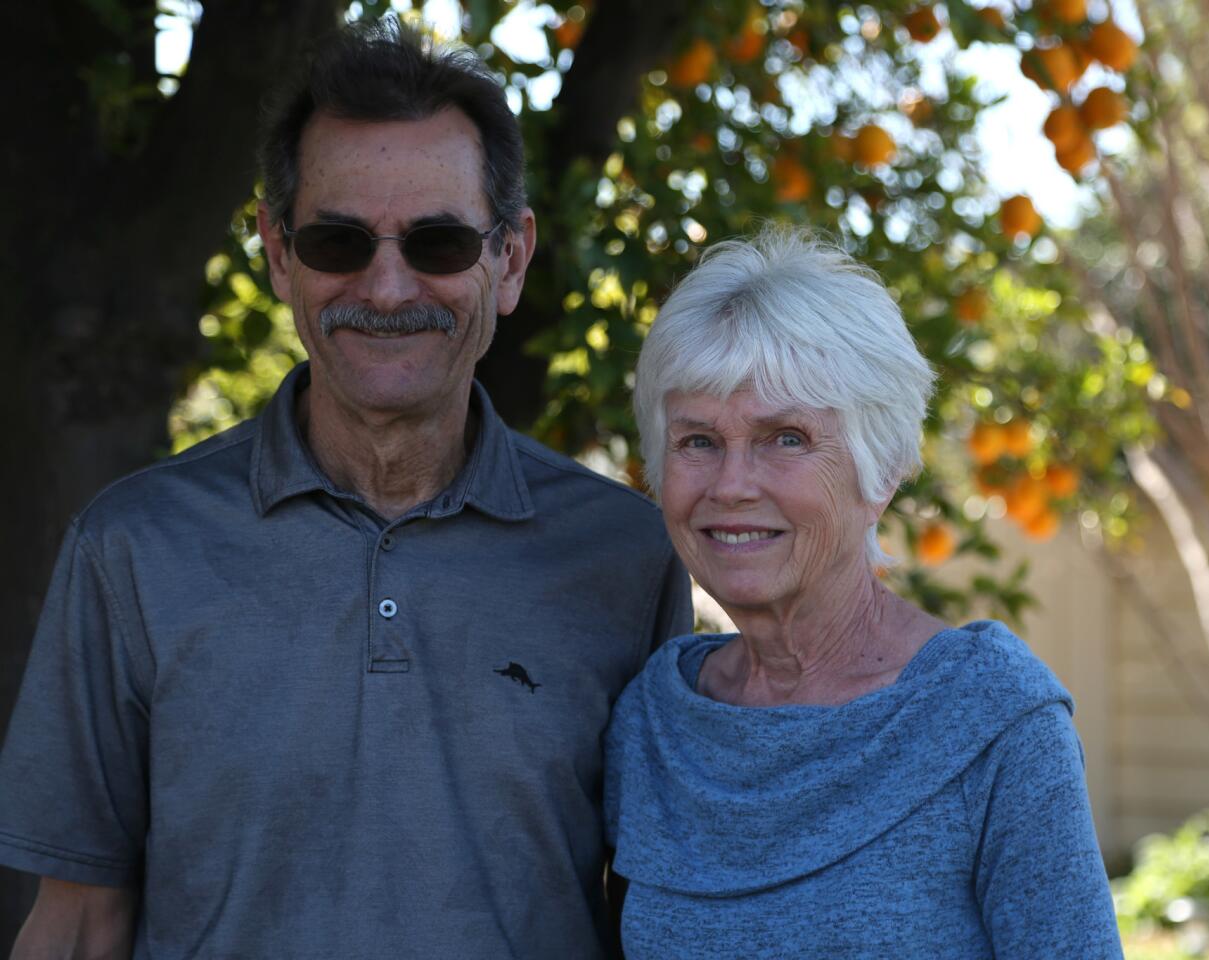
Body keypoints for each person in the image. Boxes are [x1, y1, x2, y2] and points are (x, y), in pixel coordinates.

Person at [0, 19, 689, 958]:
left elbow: (663, 910)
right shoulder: (130, 548)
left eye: (441, 242)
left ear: (512, 258)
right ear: (279, 254)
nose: (390, 285)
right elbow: (79, 922)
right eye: (338, 240)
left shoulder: (628, 555)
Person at [604, 227, 1122, 958]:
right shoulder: (654, 725)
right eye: (697, 441)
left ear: (881, 470)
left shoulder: (992, 719)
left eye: (785, 437)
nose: (732, 485)